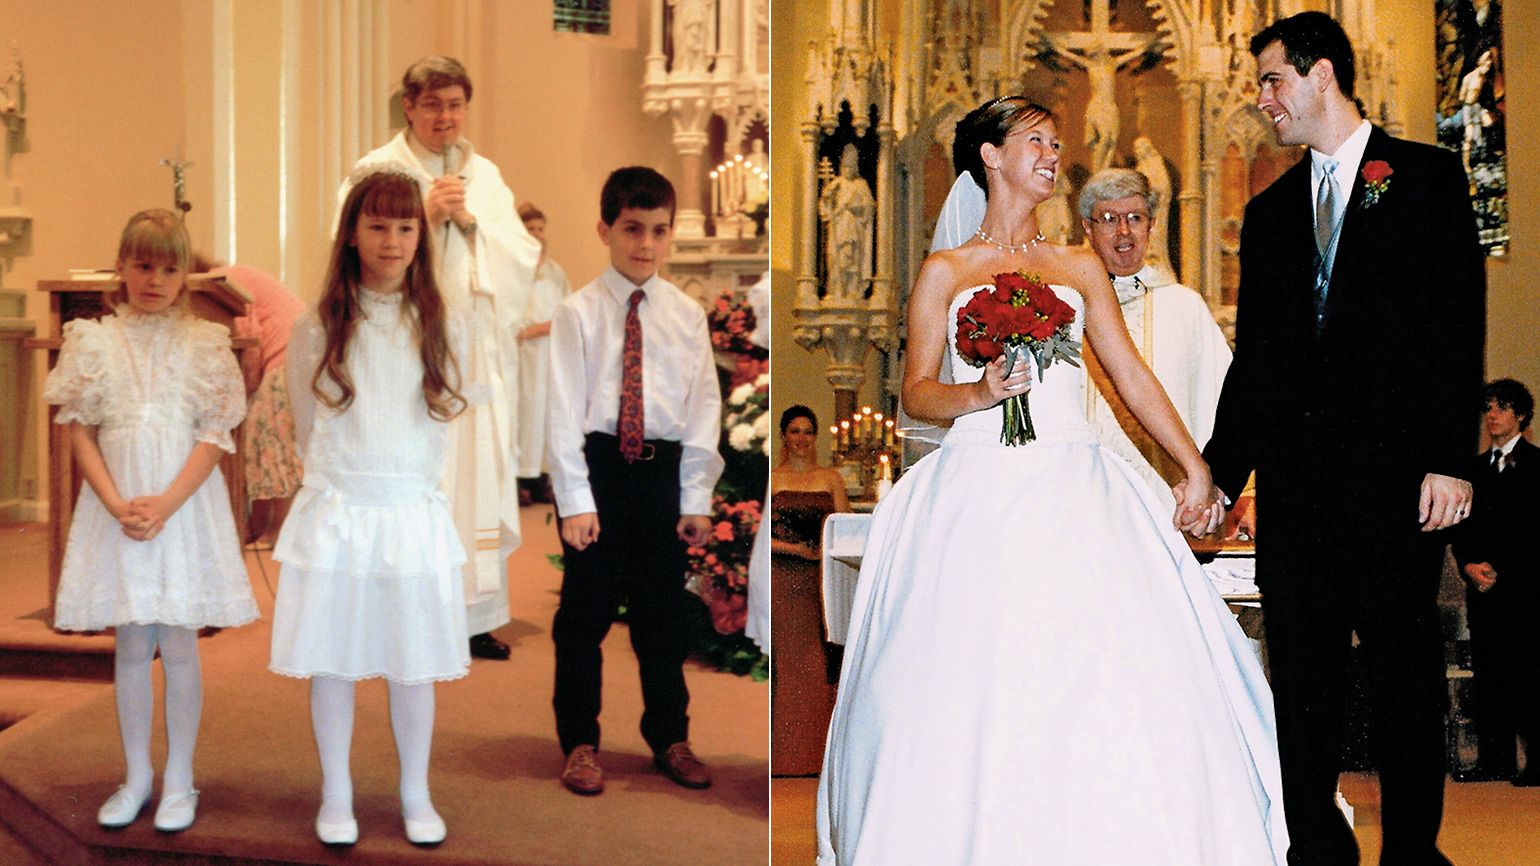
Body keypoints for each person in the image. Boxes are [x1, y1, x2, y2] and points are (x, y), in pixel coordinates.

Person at [816, 97, 1287, 865]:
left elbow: (1129, 374)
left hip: (1078, 484)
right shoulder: (946, 271)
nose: (1053, 155)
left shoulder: (1076, 266)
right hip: (978, 490)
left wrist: (1195, 466)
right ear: (991, 157)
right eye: (1036, 140)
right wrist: (980, 394)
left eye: (1056, 142)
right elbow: (917, 390)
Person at [1203, 12, 1486, 864]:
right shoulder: (1272, 212)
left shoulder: (1427, 180)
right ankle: (1317, 851)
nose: (1262, 103)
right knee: (1305, 686)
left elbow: (1455, 325)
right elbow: (1257, 362)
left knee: (1404, 680)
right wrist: (1218, 474)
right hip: (1297, 487)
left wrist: (1450, 457)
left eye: (1272, 82)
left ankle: (1412, 853)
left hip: (1398, 478)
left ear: (1321, 74)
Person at [270, 170, 471, 846]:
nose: (392, 241)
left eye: (406, 227)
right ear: (352, 233)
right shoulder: (316, 326)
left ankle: (415, 788)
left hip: (408, 510)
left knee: (411, 661)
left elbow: (441, 422)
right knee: (333, 658)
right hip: (340, 510)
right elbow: (308, 422)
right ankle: (337, 791)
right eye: (378, 226)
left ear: (421, 236)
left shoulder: (439, 322)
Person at [43, 210, 258, 832]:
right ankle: (137, 775)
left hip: (181, 508)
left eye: (169, 268)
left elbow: (215, 436)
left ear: (185, 275)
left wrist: (166, 503)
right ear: (122, 268)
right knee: (133, 645)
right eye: (143, 266)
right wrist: (114, 502)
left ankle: (181, 779)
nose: (156, 279)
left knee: (180, 643)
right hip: (119, 506)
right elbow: (79, 429)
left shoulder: (204, 344)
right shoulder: (93, 339)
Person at [339, 55, 540, 662]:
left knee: (473, 478)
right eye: (432, 105)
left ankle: (474, 614)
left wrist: (471, 219)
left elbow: (520, 257)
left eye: (455, 104)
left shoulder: (485, 175)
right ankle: (398, 607)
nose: (445, 117)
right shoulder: (379, 169)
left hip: (469, 352)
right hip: (399, 345)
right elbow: (346, 242)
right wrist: (422, 216)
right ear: (409, 106)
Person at [546, 167, 724, 796]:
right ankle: (581, 743)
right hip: (599, 472)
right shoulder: (578, 314)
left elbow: (704, 407)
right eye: (631, 229)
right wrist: (573, 500)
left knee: (662, 619)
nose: (644, 243)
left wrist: (695, 495)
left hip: (661, 479)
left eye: (657, 230)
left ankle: (669, 737)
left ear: (671, 233)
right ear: (605, 230)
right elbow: (562, 410)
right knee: (584, 617)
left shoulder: (685, 315)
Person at [1078, 167, 1231, 509]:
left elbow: (1222, 401)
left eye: (1135, 218)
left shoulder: (1185, 305)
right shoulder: (1068, 309)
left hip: (1166, 502)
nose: (1124, 231)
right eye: (1108, 218)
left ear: (1152, 226)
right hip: (1079, 497)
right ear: (1087, 228)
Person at [1451, 379, 1540, 786]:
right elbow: (1461, 526)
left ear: (1520, 415)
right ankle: (1495, 760)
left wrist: (1500, 566)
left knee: (1529, 672)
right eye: (1487, 407)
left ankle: (1536, 762)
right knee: (1489, 672)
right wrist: (1469, 565)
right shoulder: (1471, 470)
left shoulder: (1539, 465)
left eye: (1501, 407)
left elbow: (1535, 530)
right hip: (1481, 588)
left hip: (1525, 588)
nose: (1492, 415)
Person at [194, 257, 307, 546]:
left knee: (273, 447)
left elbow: (248, 338)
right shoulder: (235, 275)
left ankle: (276, 531)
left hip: (286, 361)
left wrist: (244, 389)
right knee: (264, 446)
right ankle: (256, 529)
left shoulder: (216, 286)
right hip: (300, 359)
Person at [770, 405, 849, 775]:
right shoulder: (771, 478)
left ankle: (817, 757)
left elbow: (843, 528)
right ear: (784, 435)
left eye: (808, 432)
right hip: (782, 578)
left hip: (819, 580)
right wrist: (795, 550)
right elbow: (756, 537)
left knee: (819, 661)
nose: (802, 439)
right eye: (795, 431)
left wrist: (821, 553)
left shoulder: (830, 478)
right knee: (787, 662)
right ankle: (784, 757)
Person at [514, 202, 573, 506]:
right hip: (524, 354)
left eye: (540, 228)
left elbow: (567, 306)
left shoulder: (554, 270)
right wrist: (529, 330)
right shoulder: (514, 268)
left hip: (549, 352)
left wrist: (554, 327)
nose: (536, 234)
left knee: (548, 414)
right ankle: (520, 478)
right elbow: (509, 311)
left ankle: (542, 477)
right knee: (525, 413)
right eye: (530, 229)